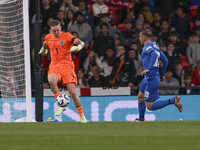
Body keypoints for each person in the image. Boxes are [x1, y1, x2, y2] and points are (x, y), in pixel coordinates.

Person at [38, 20, 87, 123]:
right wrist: (44, 50)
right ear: (51, 30)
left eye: (58, 30)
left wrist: (79, 46)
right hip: (55, 65)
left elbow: (80, 42)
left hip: (67, 65)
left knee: (72, 92)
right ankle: (61, 102)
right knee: (51, 80)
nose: (56, 32)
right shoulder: (48, 37)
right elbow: (45, 44)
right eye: (54, 31)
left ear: (60, 28)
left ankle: (82, 116)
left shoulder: (67, 36)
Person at [134, 29, 183, 122]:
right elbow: (165, 60)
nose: (139, 38)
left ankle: (173, 101)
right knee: (140, 97)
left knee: (150, 106)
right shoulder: (155, 46)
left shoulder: (147, 47)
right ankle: (141, 119)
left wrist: (150, 68)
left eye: (140, 37)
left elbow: (153, 56)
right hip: (149, 77)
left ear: (144, 38)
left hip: (151, 78)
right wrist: (162, 74)